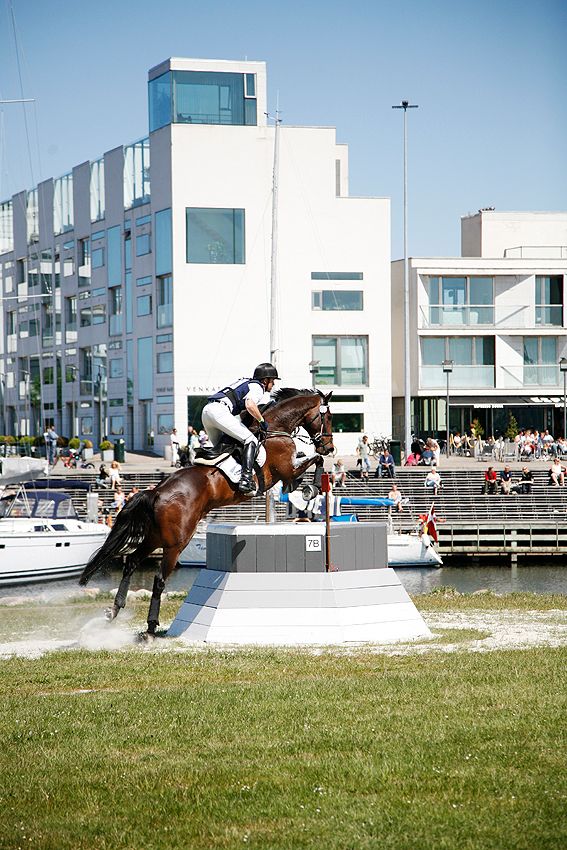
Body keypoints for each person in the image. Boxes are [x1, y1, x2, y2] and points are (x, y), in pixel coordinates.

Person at [201, 362, 278, 494]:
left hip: (207, 412)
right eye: (272, 381)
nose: (274, 384)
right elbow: (250, 404)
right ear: (265, 380)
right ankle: (246, 479)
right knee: (251, 441)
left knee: (221, 451)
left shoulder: (246, 382)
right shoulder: (258, 387)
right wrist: (261, 420)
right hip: (220, 411)